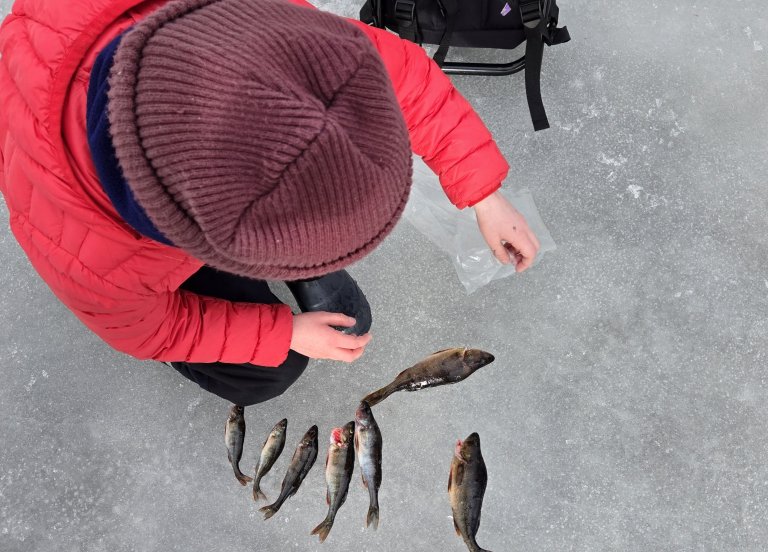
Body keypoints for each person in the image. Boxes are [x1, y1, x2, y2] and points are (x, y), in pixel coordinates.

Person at [0, 0, 540, 406]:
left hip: (181, 157)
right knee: (267, 375)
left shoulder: (269, 38)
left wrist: (482, 191)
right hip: (131, 235)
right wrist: (284, 333)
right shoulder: (95, 262)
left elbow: (397, 74)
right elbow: (151, 328)